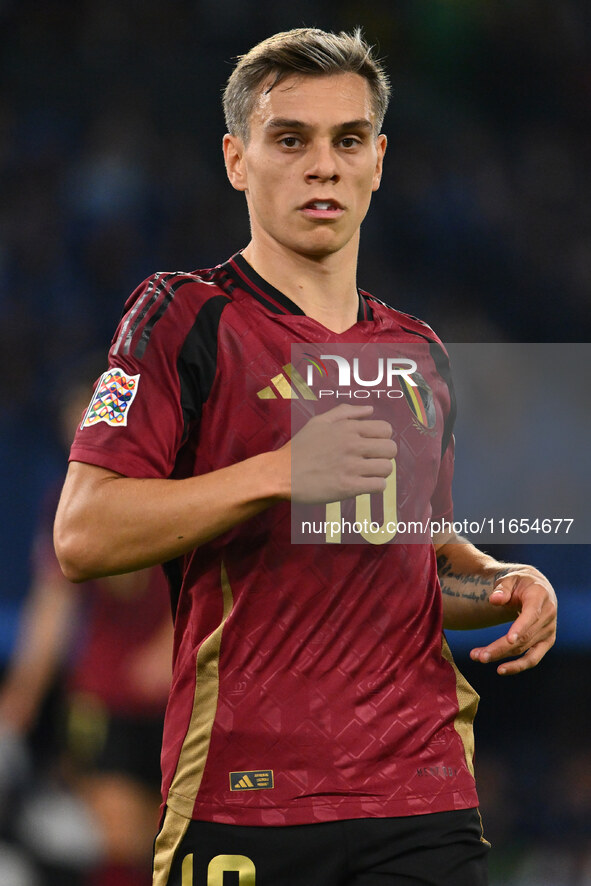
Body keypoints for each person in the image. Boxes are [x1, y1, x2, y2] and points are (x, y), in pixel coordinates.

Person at [53, 28, 557, 886]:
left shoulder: (419, 352)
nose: (322, 165)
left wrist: (503, 582)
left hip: (418, 797)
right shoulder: (182, 317)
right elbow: (83, 534)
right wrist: (279, 473)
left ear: (378, 160)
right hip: (247, 796)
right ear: (236, 159)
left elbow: (415, 569)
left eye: (347, 140)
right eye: (290, 139)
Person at [1, 376, 172, 886]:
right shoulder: (68, 502)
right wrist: (23, 695)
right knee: (120, 830)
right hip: (103, 697)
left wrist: (173, 645)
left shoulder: (179, 486)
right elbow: (52, 606)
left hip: (181, 694)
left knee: (169, 832)